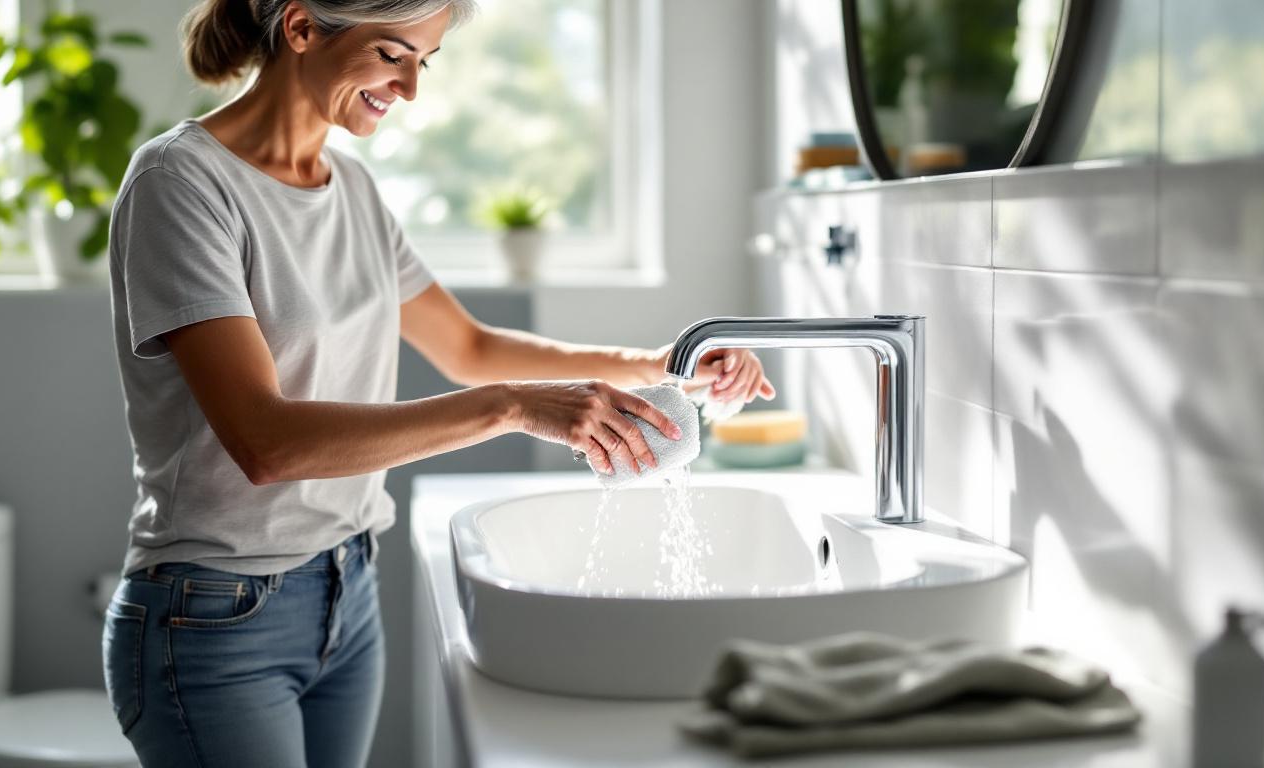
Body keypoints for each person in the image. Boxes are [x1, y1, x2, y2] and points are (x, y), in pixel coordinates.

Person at [100, 1, 775, 766]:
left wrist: (666, 363)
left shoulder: (349, 188)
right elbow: (266, 443)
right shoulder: (181, 182)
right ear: (300, 28)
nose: (411, 89)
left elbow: (471, 346)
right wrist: (516, 409)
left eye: (424, 60)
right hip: (212, 615)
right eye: (393, 54)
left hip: (347, 589)